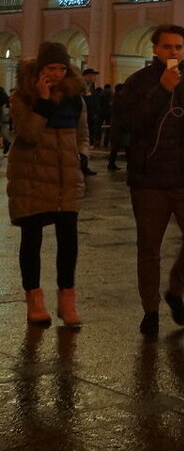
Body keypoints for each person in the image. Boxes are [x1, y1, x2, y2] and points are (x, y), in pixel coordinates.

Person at [114, 25, 184, 336]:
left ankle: (175, 290)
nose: (173, 52)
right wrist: (162, 89)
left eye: (178, 47)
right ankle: (150, 310)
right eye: (167, 47)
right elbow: (129, 123)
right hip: (149, 180)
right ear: (155, 50)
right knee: (149, 246)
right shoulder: (138, 83)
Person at [6, 42, 89, 326]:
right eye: (51, 68)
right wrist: (42, 100)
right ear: (40, 69)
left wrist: (82, 156)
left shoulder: (75, 97)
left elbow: (82, 132)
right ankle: (35, 300)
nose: (56, 74)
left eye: (61, 68)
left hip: (66, 176)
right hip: (31, 175)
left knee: (69, 238)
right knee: (32, 238)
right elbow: (28, 134)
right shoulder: (22, 97)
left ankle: (67, 302)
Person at [107, 83, 130, 170]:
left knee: (115, 147)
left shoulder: (115, 100)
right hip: (121, 127)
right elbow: (124, 114)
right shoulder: (121, 101)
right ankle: (128, 165)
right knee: (127, 147)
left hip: (117, 126)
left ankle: (111, 163)